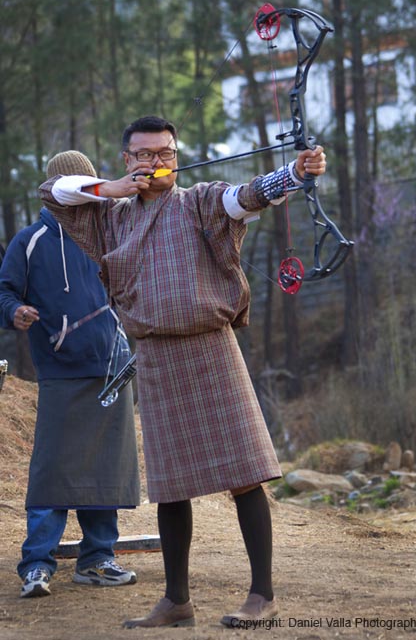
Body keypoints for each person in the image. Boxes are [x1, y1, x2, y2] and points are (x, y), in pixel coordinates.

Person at [39, 116, 327, 627]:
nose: (155, 162)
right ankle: (177, 600)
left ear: (178, 153)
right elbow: (54, 191)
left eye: (165, 152)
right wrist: (112, 189)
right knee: (171, 485)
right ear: (127, 159)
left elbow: (251, 194)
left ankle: (263, 594)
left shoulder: (200, 201)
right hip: (155, 357)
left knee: (245, 476)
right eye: (144, 154)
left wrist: (297, 174)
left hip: (211, 349)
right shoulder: (109, 216)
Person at [0, 151, 141, 598]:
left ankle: (97, 559)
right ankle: (37, 564)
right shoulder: (31, 239)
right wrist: (15, 310)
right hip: (61, 369)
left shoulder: (109, 231)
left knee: (105, 470)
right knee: (53, 469)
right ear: (62, 189)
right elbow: (3, 290)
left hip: (114, 365)